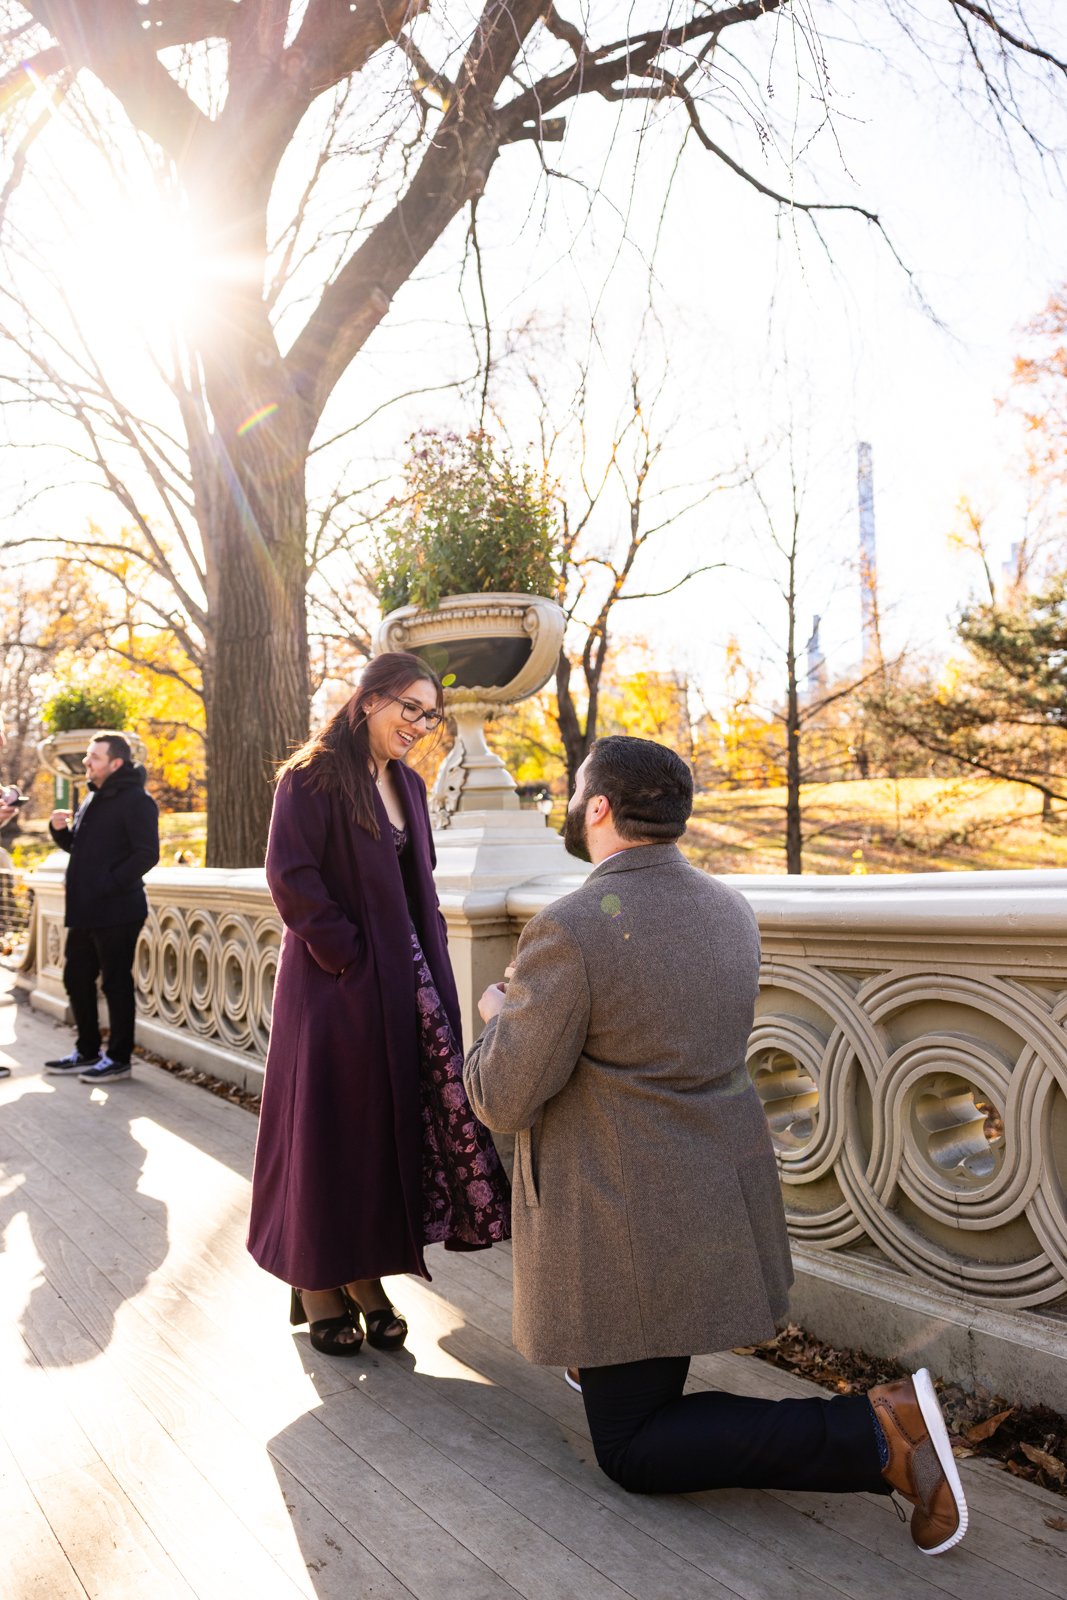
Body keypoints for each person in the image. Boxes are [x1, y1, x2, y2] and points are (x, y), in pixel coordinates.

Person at [464, 735, 968, 1558]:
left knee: (631, 1450)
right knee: (627, 1383)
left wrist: (499, 1018)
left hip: (624, 1217)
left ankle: (879, 1432)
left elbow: (503, 1098)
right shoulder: (727, 907)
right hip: (707, 1196)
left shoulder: (572, 926)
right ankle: (604, 1363)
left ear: (597, 807)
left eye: (574, 793)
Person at [247, 651, 510, 1358]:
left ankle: (367, 1277)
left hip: (408, 983)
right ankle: (319, 1284)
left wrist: (420, 980)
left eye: (431, 715)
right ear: (369, 701)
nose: (421, 725)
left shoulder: (408, 786)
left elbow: (415, 890)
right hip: (334, 990)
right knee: (330, 1133)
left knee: (382, 1133)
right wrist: (350, 960)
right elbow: (292, 880)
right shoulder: (309, 779)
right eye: (410, 708)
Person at [44, 735, 160, 1085]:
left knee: (115, 983)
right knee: (75, 977)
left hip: (118, 909)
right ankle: (88, 1051)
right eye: (87, 757)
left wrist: (107, 885)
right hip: (86, 909)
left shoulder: (137, 801)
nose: (87, 763)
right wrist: (59, 832)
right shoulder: (93, 796)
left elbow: (146, 854)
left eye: (94, 757)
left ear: (116, 764)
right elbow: (83, 850)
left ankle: (119, 1059)